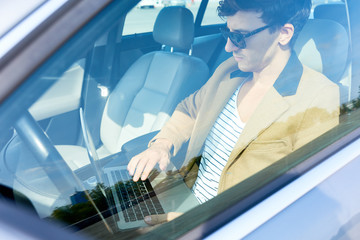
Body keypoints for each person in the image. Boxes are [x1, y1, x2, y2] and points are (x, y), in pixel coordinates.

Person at [127, 0, 339, 224]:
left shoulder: (318, 97)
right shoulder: (228, 70)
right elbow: (190, 109)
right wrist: (162, 145)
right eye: (226, 33)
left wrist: (199, 225)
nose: (229, 47)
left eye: (240, 36)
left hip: (226, 225)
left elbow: (305, 203)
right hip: (181, 199)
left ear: (284, 33)